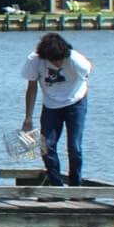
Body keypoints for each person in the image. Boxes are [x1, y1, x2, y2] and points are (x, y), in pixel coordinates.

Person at [21, 33, 92, 186]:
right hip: (51, 106)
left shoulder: (76, 60)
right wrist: (28, 117)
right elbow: (31, 88)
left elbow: (87, 78)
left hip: (76, 102)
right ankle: (56, 186)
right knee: (46, 146)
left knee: (74, 147)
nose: (58, 63)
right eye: (53, 60)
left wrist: (75, 97)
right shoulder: (35, 60)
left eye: (60, 59)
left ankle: (75, 187)